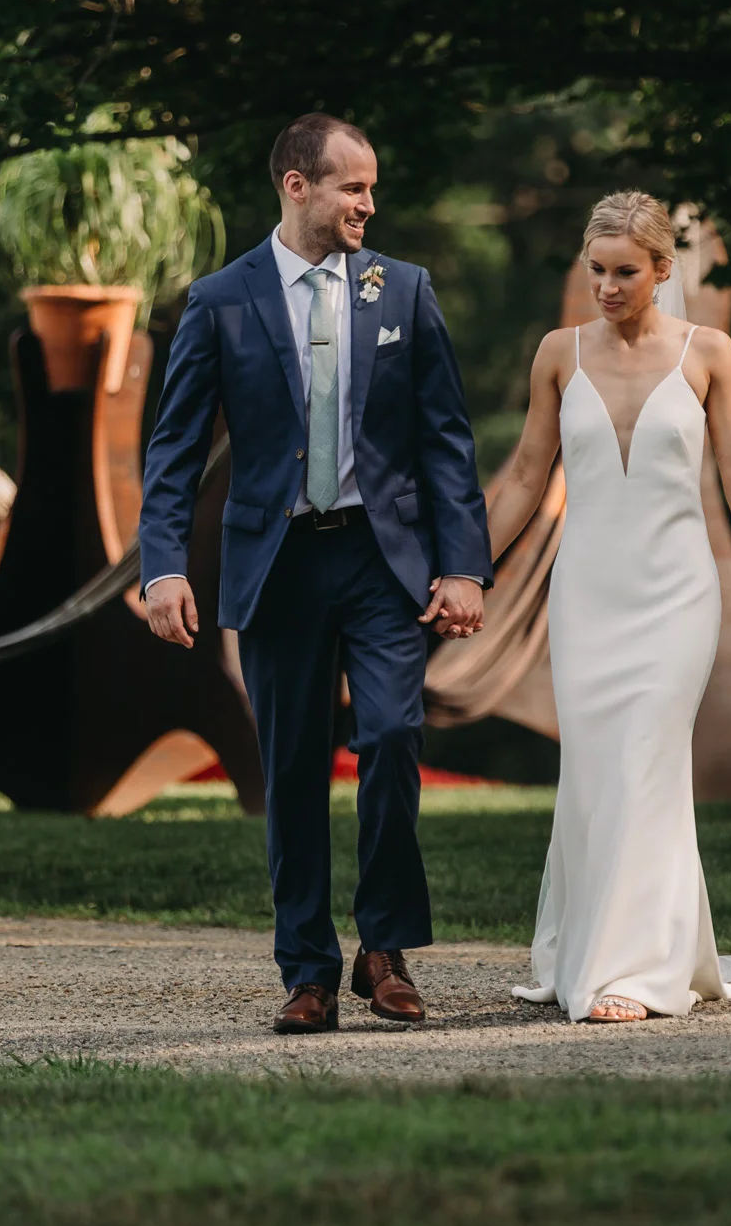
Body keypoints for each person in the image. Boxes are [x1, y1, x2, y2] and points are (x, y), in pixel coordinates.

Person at [138, 114, 491, 1035]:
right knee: (291, 767)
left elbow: (446, 440)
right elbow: (175, 449)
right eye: (353, 187)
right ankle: (308, 971)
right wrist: (162, 567)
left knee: (394, 735)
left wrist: (463, 565)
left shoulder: (403, 290)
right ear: (297, 186)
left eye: (372, 187)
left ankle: (386, 950)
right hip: (278, 562)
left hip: (383, 559)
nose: (369, 204)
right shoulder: (221, 300)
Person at [482, 191, 731, 1023]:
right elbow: (525, 475)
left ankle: (634, 970)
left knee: (648, 760)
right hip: (585, 595)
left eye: (625, 272)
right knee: (595, 769)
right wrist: (466, 572)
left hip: (676, 596)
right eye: (596, 270)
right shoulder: (559, 353)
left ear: (662, 270)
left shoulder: (709, 353)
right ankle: (599, 949)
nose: (607, 287)